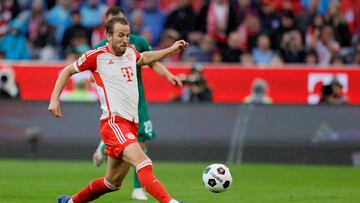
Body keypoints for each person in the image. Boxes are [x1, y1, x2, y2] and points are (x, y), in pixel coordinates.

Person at [49, 17, 188, 203]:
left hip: (131, 125)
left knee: (111, 183)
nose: (125, 40)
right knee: (143, 162)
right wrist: (54, 99)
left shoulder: (130, 52)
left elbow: (145, 57)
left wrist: (172, 50)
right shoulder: (96, 56)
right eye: (120, 35)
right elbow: (67, 71)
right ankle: (170, 202)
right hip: (114, 123)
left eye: (128, 35)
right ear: (109, 36)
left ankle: (69, 202)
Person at [91, 6, 182, 200]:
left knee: (139, 143)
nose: (122, 30)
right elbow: (89, 69)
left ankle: (108, 151)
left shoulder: (137, 43)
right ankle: (140, 188)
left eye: (122, 19)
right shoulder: (100, 48)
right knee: (138, 153)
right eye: (114, 19)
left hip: (137, 103)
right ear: (108, 26)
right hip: (116, 107)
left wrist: (168, 74)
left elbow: (151, 60)